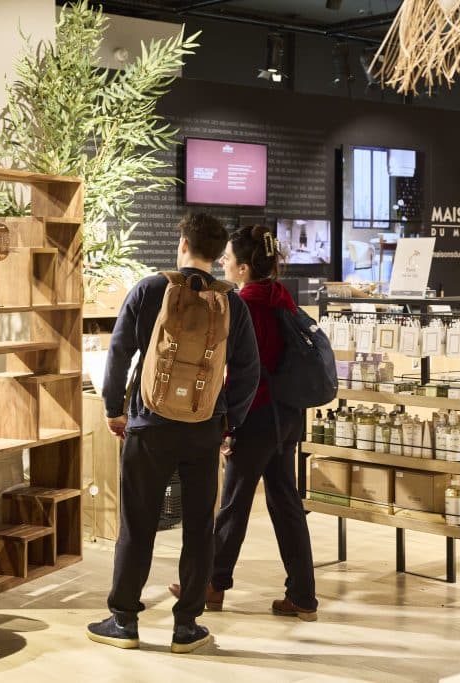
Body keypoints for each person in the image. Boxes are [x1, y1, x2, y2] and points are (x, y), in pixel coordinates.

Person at [88, 213, 261, 654]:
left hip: (148, 425)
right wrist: (229, 421)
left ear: (183, 243)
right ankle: (186, 626)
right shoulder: (232, 303)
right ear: (219, 254)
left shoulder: (150, 289)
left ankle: (124, 620)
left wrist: (113, 408)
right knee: (200, 528)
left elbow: (120, 352)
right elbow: (247, 371)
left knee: (138, 524)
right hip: (204, 428)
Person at [169, 225, 319, 620]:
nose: (223, 262)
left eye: (229, 258)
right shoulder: (283, 298)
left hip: (255, 416)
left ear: (245, 267)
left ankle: (211, 585)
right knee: (286, 505)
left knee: (233, 504)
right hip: (287, 417)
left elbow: (238, 370)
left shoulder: (244, 304)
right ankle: (303, 596)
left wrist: (228, 423)